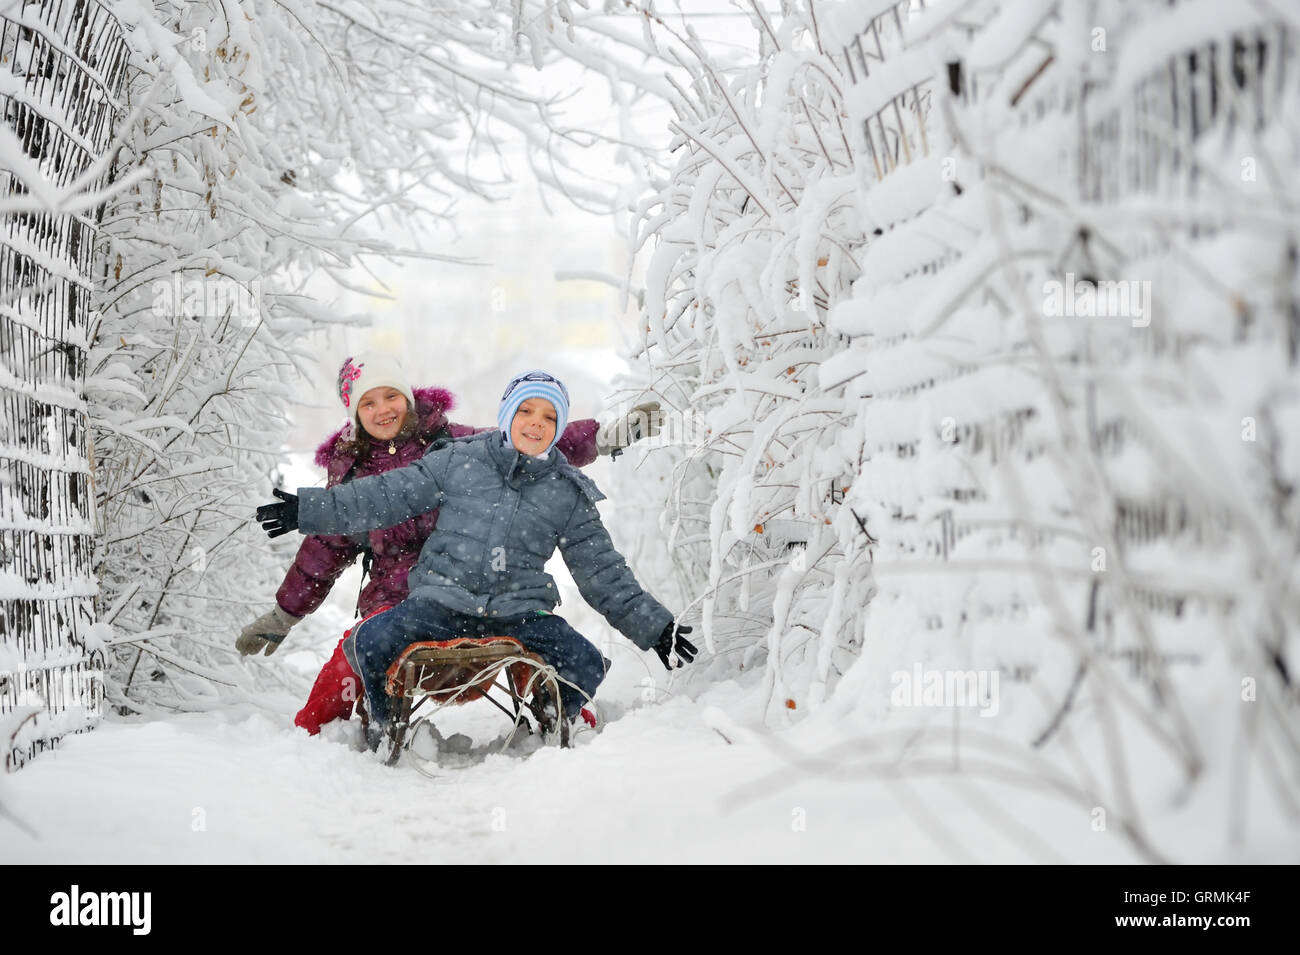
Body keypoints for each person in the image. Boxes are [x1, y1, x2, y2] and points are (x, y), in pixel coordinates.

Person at [254, 369, 697, 743]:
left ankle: (554, 713)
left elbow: (602, 570)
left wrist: (655, 627)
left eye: (549, 417)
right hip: (439, 603)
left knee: (583, 659)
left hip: (520, 611)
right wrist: (308, 509)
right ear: (506, 417)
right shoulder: (459, 461)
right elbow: (385, 495)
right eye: (524, 412)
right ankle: (384, 715)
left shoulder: (566, 490)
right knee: (368, 641)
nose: (535, 424)